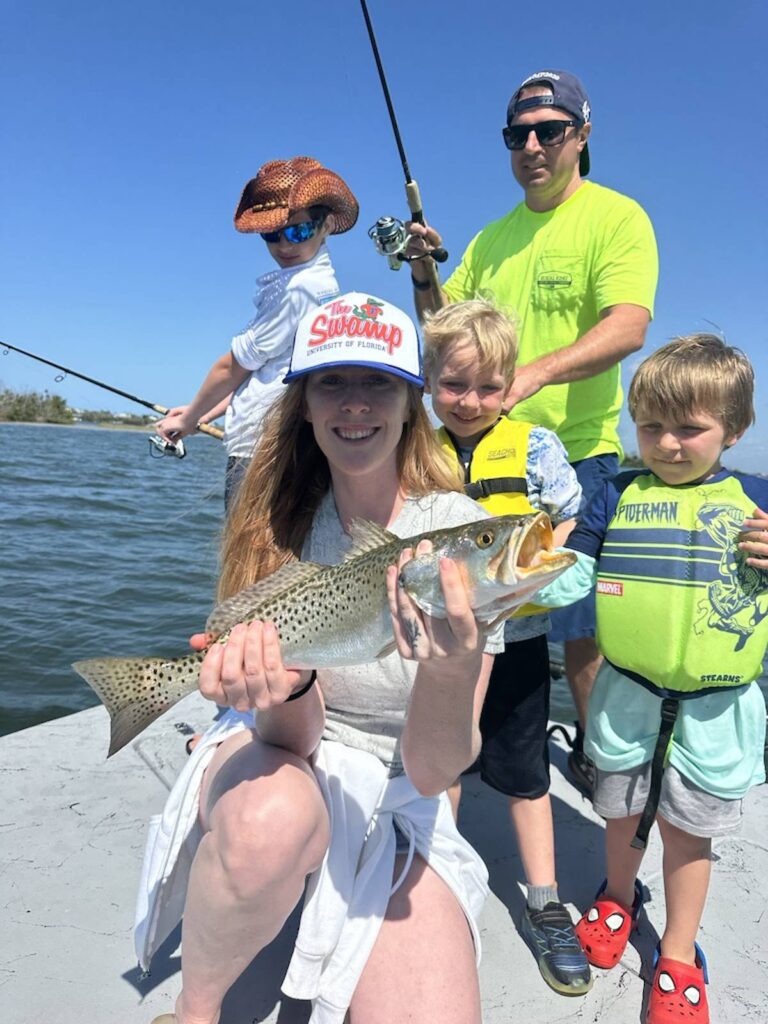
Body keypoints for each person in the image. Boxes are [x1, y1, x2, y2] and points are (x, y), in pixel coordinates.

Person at [140, 291, 509, 1024]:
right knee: (273, 817)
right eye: (331, 382)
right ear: (302, 404)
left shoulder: (462, 533)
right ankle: (195, 1011)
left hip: (405, 787)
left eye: (377, 383)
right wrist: (288, 681)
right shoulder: (273, 520)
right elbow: (289, 739)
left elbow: (436, 772)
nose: (355, 404)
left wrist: (450, 666)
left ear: (411, 403)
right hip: (279, 752)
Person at [405, 68, 659, 796]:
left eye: (550, 130)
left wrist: (534, 375)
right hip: (478, 456)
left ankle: (601, 764)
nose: (534, 145)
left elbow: (629, 325)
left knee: (578, 625)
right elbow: (446, 327)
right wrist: (426, 273)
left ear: (581, 135)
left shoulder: (617, 217)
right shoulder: (490, 238)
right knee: (465, 611)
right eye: (519, 134)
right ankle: (459, 749)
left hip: (574, 455)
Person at [534, 334, 768, 1024]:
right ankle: (615, 894)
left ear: (736, 429)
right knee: (620, 812)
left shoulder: (758, 502)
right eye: (651, 426)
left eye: (689, 428)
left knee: (691, 835)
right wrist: (522, 582)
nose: (667, 443)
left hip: (716, 711)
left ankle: (677, 951)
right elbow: (575, 570)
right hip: (623, 701)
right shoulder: (612, 492)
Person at [421, 298, 593, 995]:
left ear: (512, 383)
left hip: (518, 639)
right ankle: (439, 891)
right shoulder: (413, 448)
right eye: (454, 384)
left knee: (526, 773)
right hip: (439, 644)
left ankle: (546, 901)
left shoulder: (537, 447)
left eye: (489, 387)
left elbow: (570, 517)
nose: (470, 401)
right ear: (429, 379)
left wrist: (551, 572)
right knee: (444, 770)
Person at [155, 157, 358, 510]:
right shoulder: (321, 285)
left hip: (262, 452)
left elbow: (231, 367)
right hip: (278, 447)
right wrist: (201, 414)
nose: (284, 245)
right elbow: (258, 371)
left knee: (247, 561)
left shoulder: (299, 289)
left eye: (298, 231)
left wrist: (188, 421)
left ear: (325, 225)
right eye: (271, 234)